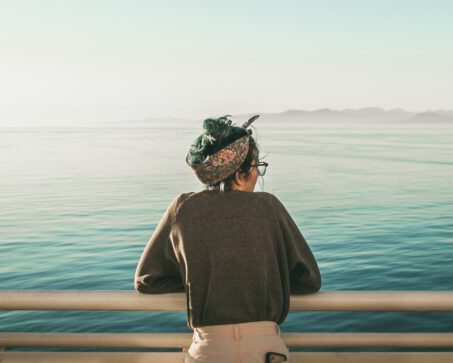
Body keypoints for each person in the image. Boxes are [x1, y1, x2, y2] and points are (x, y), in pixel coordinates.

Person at [135, 115, 321, 363]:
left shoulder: (183, 207)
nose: (257, 174)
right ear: (240, 173)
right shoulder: (269, 206)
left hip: (208, 350)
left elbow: (147, 280)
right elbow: (309, 280)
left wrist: (203, 281)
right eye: (256, 166)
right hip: (265, 350)